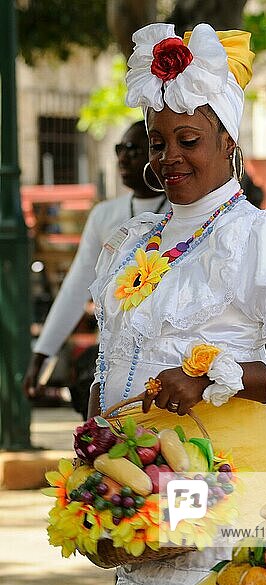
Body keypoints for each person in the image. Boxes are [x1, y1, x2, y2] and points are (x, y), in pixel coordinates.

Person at [87, 23, 266, 585]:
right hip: (141, 490)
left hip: (225, 486)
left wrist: (210, 380)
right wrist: (95, 441)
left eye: (188, 140)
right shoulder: (132, 242)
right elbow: (113, 356)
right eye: (158, 143)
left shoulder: (264, 240)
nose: (169, 157)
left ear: (229, 139)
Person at [23, 120, 168, 414]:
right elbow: (76, 288)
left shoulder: (182, 212)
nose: (123, 158)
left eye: (134, 149)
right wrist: (41, 355)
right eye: (120, 148)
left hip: (165, 365)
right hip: (114, 363)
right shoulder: (104, 215)